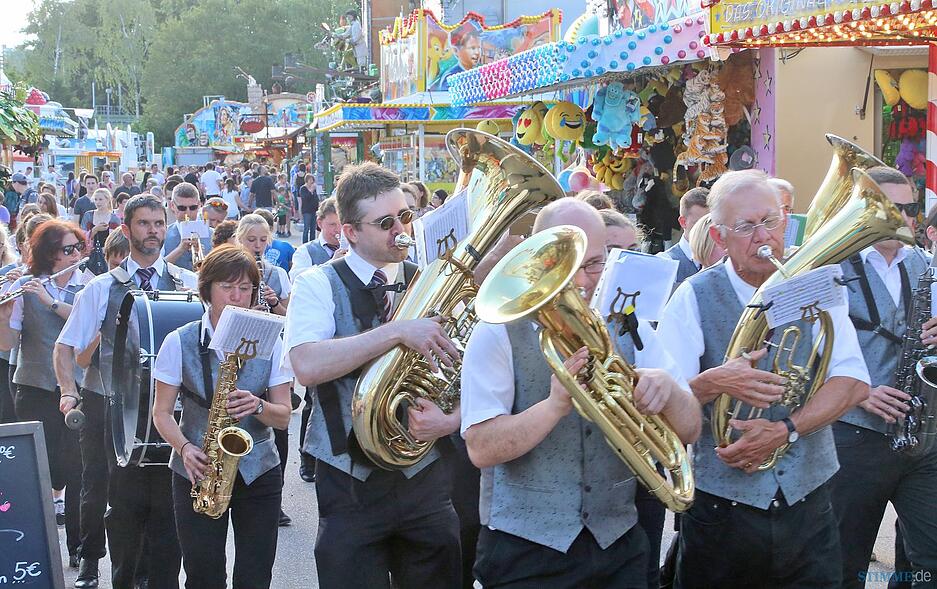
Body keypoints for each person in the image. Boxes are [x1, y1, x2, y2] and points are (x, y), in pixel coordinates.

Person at [461, 198, 701, 588]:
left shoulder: (626, 321)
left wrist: (669, 391)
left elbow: (689, 431)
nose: (585, 281)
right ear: (539, 261)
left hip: (618, 544)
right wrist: (554, 406)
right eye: (569, 266)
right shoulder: (497, 330)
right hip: (526, 549)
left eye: (595, 263)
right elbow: (481, 447)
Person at [656, 170, 870, 589]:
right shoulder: (693, 295)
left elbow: (852, 380)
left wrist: (785, 429)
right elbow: (664, 399)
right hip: (722, 511)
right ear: (718, 237)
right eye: (745, 227)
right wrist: (716, 381)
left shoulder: (818, 285)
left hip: (808, 503)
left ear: (786, 222)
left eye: (770, 221)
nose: (762, 237)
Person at [284, 161, 462, 588]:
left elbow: (470, 369)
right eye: (385, 222)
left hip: (425, 475)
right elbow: (306, 365)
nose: (400, 229)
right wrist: (398, 332)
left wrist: (451, 417)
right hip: (349, 479)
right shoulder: (317, 283)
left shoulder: (432, 279)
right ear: (349, 232)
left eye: (405, 216)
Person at [55, 194, 195, 589]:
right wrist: (69, 391)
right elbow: (65, 347)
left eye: (158, 223)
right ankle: (123, 578)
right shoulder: (101, 288)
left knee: (171, 511)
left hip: (175, 416)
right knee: (125, 511)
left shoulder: (188, 284)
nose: (152, 231)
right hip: (120, 417)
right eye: (144, 223)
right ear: (126, 227)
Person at [152, 245, 293, 589]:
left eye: (245, 288)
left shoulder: (271, 339)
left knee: (255, 575)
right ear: (207, 290)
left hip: (259, 470)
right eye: (228, 287)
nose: (237, 296)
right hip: (197, 470)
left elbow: (285, 416)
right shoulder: (179, 341)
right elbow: (162, 413)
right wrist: (185, 449)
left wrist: (258, 406)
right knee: (203, 575)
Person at [831, 166, 937, 588]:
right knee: (844, 560)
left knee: (929, 559)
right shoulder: (830, 265)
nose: (902, 217)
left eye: (909, 207)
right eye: (889, 207)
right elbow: (803, 355)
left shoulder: (926, 265)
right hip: (854, 438)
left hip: (922, 439)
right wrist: (857, 393)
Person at [0, 220, 86, 568]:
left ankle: (80, 547)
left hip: (75, 390)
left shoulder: (87, 285)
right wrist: (5, 313)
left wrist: (50, 301)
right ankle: (34, 548)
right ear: (49, 254)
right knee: (39, 470)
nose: (75, 255)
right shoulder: (26, 285)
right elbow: (7, 344)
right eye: (68, 250)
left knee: (78, 469)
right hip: (33, 387)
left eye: (78, 248)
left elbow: (84, 327)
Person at [235, 214, 290, 317]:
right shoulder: (228, 272)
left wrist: (275, 303)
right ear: (240, 239)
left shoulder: (279, 274)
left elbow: (289, 319)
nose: (258, 245)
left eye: (263, 240)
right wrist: (248, 314)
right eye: (251, 240)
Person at [658, 187, 708, 290]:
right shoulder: (665, 263)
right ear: (683, 222)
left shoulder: (724, 258)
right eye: (698, 224)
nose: (706, 230)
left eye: (711, 222)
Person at [290, 197, 343, 282]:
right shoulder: (305, 251)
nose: (338, 230)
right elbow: (296, 278)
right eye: (332, 224)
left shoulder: (354, 248)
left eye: (342, 224)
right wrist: (331, 265)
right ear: (319, 223)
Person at [163, 182, 213, 272]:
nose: (188, 213)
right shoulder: (163, 234)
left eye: (193, 207)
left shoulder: (212, 234)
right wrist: (180, 250)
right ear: (172, 206)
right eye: (182, 208)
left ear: (199, 205)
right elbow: (157, 269)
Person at [81, 188, 121, 275]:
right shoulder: (88, 216)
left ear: (107, 200)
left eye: (100, 199)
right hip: (90, 256)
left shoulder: (114, 218)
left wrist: (106, 248)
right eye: (95, 199)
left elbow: (118, 239)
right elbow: (82, 237)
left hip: (108, 256)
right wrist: (95, 230)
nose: (98, 202)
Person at [300, 173, 320, 244]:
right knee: (306, 228)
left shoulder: (314, 188)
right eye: (310, 180)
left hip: (314, 210)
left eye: (313, 180)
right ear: (307, 180)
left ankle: (312, 243)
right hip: (307, 211)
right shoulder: (303, 188)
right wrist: (311, 190)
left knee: (313, 228)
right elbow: (305, 198)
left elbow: (315, 198)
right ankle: (305, 243)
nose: (312, 181)